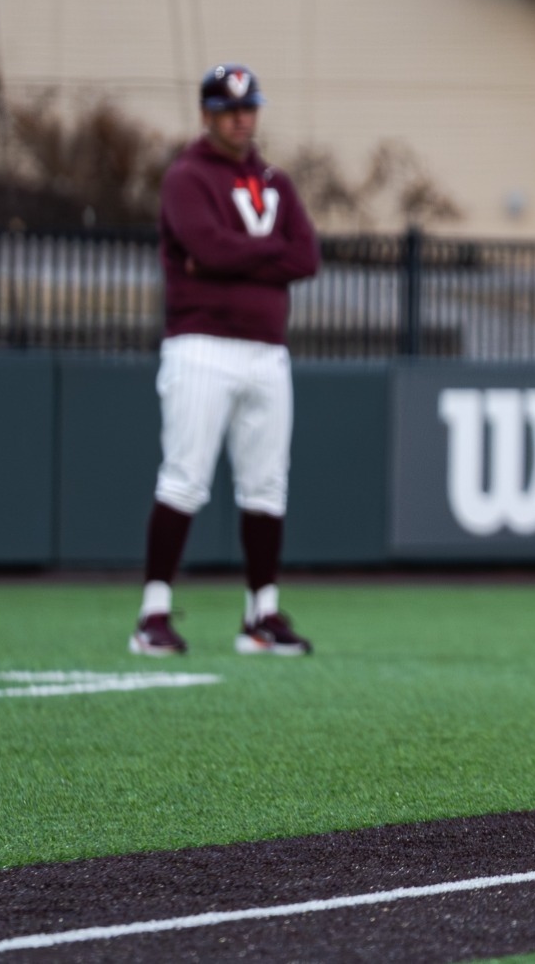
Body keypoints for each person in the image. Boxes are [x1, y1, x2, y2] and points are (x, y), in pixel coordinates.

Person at [130, 65, 320, 658]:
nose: (242, 119)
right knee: (184, 478)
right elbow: (206, 244)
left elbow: (306, 256)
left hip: (266, 349)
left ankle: (261, 614)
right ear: (207, 114)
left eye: (249, 108)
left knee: (267, 485)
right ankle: (153, 613)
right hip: (201, 346)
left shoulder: (275, 180)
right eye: (230, 109)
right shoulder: (186, 177)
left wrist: (229, 261)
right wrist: (266, 255)